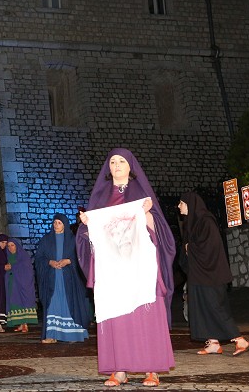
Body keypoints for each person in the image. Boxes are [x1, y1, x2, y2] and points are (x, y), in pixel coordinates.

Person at [76, 148, 175, 387]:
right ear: (108, 168)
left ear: (131, 166)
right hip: (113, 270)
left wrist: (146, 215)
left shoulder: (142, 194)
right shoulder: (100, 197)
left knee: (146, 316)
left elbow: (159, 229)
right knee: (117, 317)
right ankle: (119, 370)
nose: (117, 165)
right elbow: (88, 235)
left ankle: (152, 369)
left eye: (121, 161)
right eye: (113, 162)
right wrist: (86, 225)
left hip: (140, 267)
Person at [178, 191, 249, 356]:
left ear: (190, 204)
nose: (178, 206)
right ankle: (213, 343)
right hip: (198, 274)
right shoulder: (191, 223)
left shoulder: (206, 221)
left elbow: (210, 247)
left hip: (211, 274)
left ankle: (240, 340)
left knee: (216, 307)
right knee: (202, 308)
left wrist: (191, 248)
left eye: (181, 203)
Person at [36, 213, 90, 344]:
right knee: (53, 304)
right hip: (52, 279)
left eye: (59, 223)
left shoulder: (73, 240)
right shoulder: (46, 240)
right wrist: (50, 262)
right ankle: (51, 335)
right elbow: (39, 258)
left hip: (69, 279)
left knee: (68, 303)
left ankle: (73, 334)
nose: (56, 225)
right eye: (54, 223)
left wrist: (69, 261)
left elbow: (82, 256)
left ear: (65, 225)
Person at [4, 237, 38, 333]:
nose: (10, 248)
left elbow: (27, 269)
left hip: (22, 284)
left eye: (12, 245)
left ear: (17, 246)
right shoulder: (7, 256)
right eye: (8, 246)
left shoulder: (23, 256)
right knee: (14, 302)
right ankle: (20, 324)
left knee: (23, 301)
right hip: (12, 284)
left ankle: (25, 324)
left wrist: (12, 267)